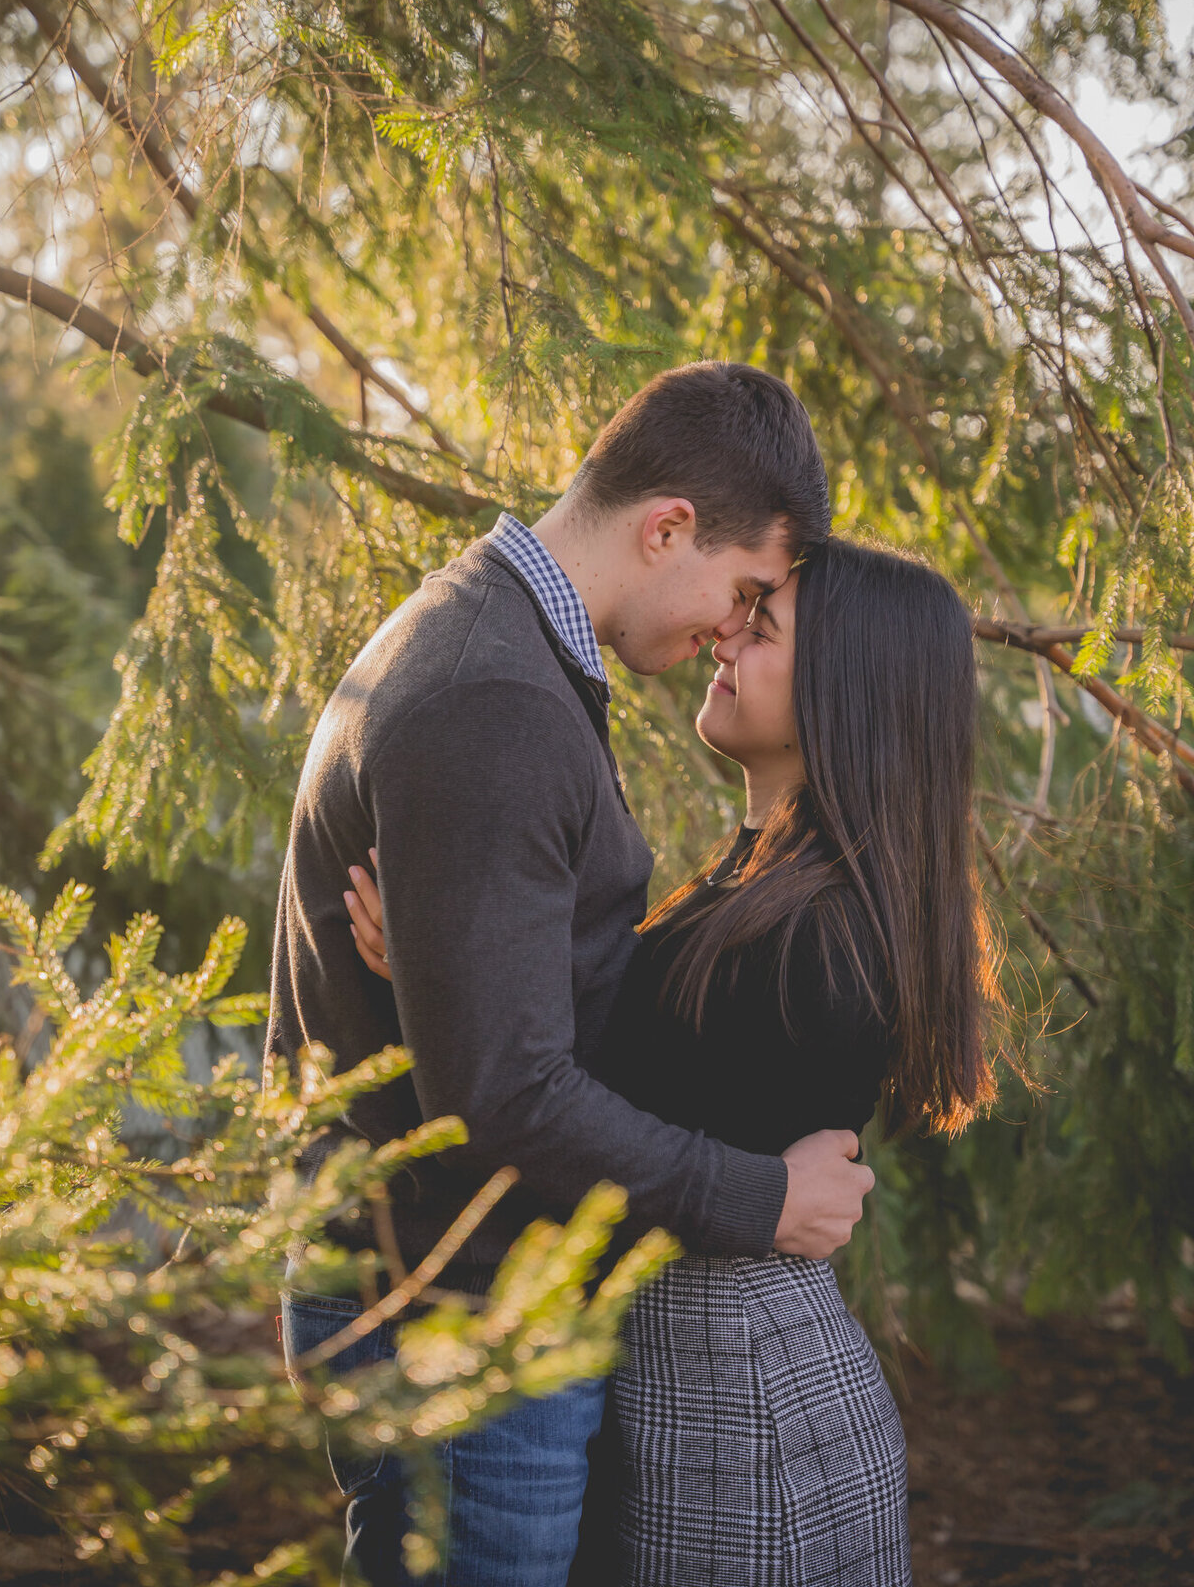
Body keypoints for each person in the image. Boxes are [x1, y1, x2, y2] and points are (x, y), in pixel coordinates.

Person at [265, 362, 875, 1587]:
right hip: (458, 1312)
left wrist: (456, 969)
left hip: (447, 1291)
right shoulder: (494, 695)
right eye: (744, 588)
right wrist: (760, 1195)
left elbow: (504, 1034)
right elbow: (507, 1097)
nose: (730, 629)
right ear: (667, 529)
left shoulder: (487, 640)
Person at [348, 538, 1004, 1586]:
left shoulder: (825, 936)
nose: (724, 633)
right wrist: (454, 966)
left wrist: (457, 973)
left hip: (740, 1407)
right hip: (693, 1374)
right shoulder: (756, 887)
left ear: (849, 689)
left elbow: (583, 1102)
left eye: (763, 624)